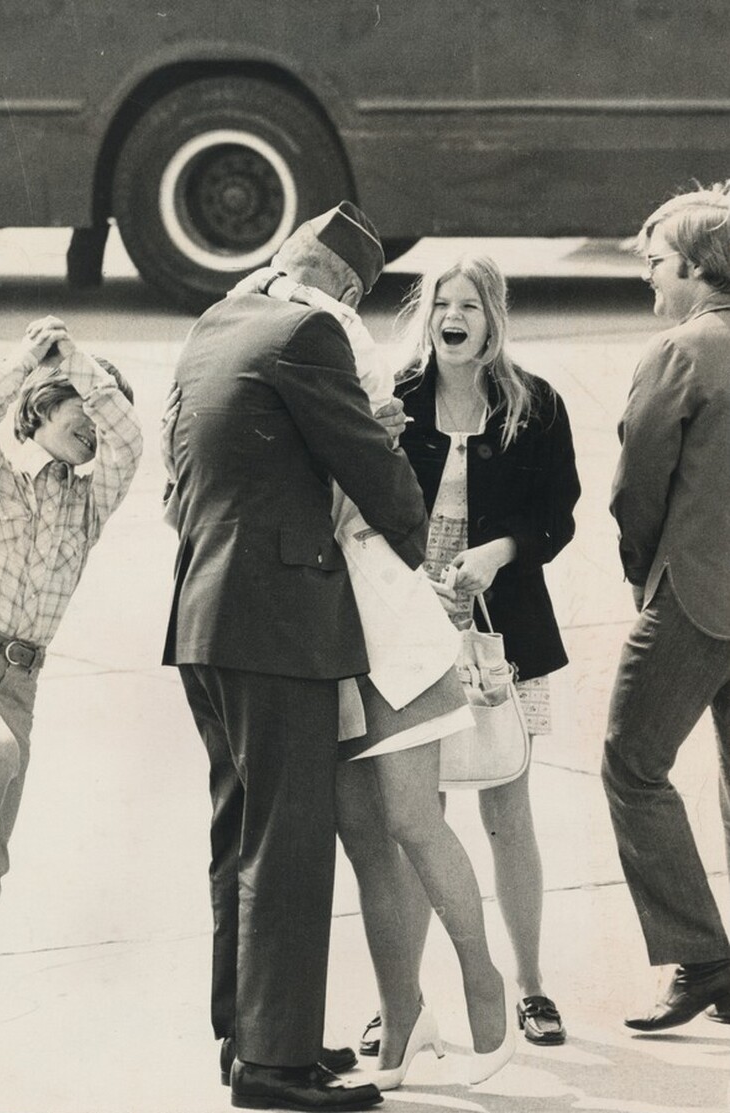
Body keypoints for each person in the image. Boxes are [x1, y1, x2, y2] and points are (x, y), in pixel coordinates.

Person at [161, 202, 429, 1112]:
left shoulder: (213, 325)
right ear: (346, 289)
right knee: (289, 840)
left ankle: (248, 1037)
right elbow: (369, 471)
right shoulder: (310, 332)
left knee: (239, 832)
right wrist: (412, 529)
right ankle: (272, 1069)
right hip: (277, 620)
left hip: (204, 614)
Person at [340, 252, 580, 1071]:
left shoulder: (533, 405)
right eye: (441, 302)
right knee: (415, 823)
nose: (453, 316)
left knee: (506, 811)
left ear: (493, 319)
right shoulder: (397, 397)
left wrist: (499, 553)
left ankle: (532, 984)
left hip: (501, 634)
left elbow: (559, 516)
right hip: (408, 639)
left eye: (469, 305)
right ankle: (396, 1004)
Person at [0, 316, 143, 1113]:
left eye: (97, 427)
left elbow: (131, 440)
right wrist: (33, 357)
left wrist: (80, 363)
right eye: (78, 418)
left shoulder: (89, 506)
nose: (93, 435)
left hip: (21, 684)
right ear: (41, 411)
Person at [602, 181, 730, 1031]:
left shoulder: (683, 350)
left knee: (631, 762)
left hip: (695, 593)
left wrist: (638, 569)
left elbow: (634, 484)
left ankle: (701, 955)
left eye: (654, 262)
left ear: (692, 266)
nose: (649, 279)